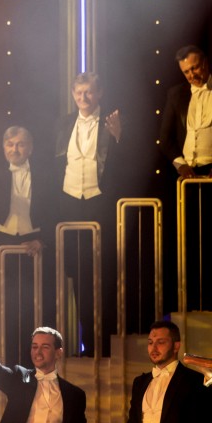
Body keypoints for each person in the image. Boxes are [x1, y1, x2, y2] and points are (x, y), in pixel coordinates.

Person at [55, 72, 122, 356]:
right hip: (70, 206)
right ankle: (88, 346)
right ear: (73, 94)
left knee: (103, 276)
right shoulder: (64, 123)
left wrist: (118, 137)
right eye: (79, 93)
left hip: (100, 204)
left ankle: (106, 346)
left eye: (89, 92)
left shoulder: (111, 121)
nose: (83, 98)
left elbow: (125, 166)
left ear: (100, 93)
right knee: (79, 278)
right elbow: (55, 166)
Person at [0, 126, 52, 364]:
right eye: (10, 144)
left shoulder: (45, 174)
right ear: (3, 148)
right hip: (2, 243)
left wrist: (42, 240)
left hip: (32, 243)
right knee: (3, 306)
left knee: (32, 306)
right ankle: (4, 363)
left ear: (30, 148)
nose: (15, 149)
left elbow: (54, 210)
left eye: (20, 144)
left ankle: (33, 363)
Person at [159, 46, 212, 311]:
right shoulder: (176, 94)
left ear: (206, 62)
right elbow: (165, 139)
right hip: (187, 177)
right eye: (187, 71)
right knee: (189, 243)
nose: (192, 74)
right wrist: (180, 165)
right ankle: (190, 306)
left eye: (195, 67)